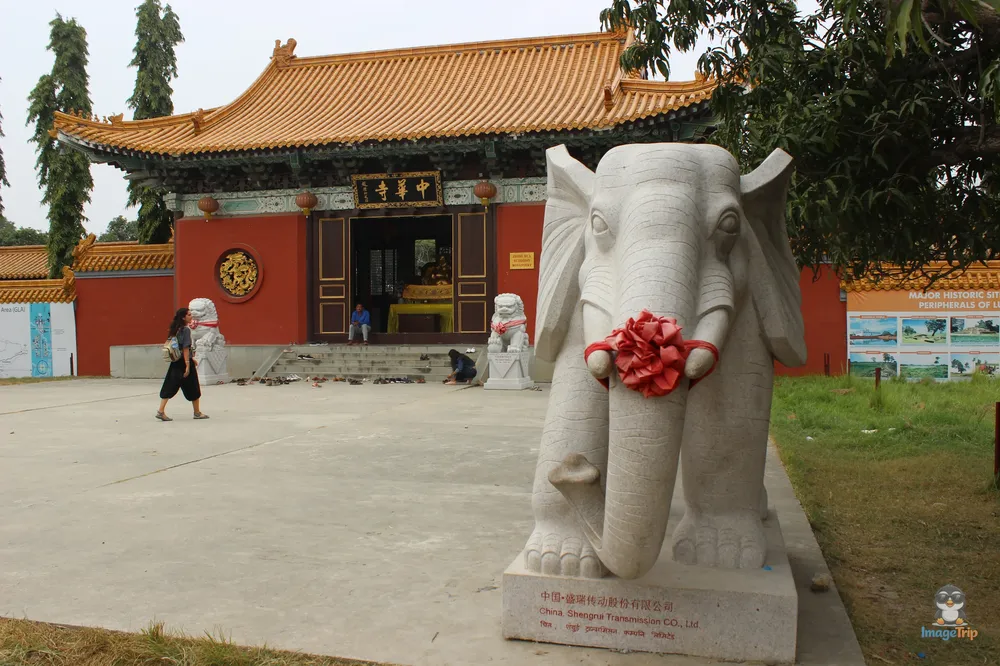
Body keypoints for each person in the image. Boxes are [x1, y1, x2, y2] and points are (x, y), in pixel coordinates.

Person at [156, 307, 209, 421]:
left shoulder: (175, 329)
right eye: (189, 315)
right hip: (183, 362)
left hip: (176, 362)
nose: (191, 317)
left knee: (170, 385)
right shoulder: (185, 330)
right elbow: (185, 347)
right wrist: (187, 364)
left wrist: (191, 359)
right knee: (193, 387)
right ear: (183, 317)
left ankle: (161, 410)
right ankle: (197, 412)